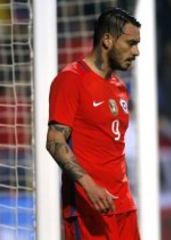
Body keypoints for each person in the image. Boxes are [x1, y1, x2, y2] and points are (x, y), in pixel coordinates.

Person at [46, 8, 141, 239]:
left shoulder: (119, 88)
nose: (136, 51)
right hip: (87, 208)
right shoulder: (71, 79)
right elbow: (54, 141)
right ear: (107, 40)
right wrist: (89, 186)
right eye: (130, 43)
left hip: (122, 206)